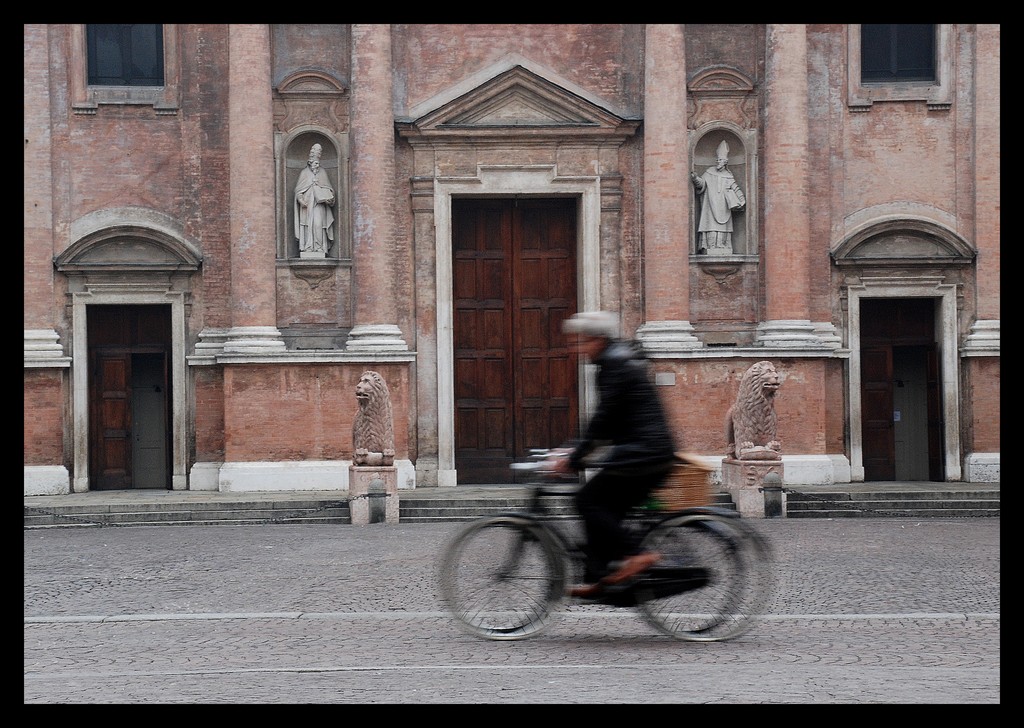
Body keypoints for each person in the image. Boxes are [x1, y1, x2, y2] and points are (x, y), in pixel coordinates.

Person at [554, 311, 678, 599]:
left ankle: (637, 555)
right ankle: (602, 575)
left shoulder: (615, 364)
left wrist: (574, 458)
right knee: (601, 510)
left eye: (581, 341)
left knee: (586, 500)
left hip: (643, 455)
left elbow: (603, 419)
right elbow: (607, 420)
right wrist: (577, 452)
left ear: (597, 339)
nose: (577, 348)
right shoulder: (613, 360)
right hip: (645, 452)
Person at [690, 139, 746, 254]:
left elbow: (736, 188)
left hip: (723, 206)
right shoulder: (709, 172)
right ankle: (710, 246)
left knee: (724, 228)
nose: (718, 162)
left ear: (725, 162)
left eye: (720, 160)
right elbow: (702, 183)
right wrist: (696, 178)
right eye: (718, 160)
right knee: (710, 225)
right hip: (710, 205)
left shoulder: (728, 176)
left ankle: (722, 246)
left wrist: (742, 200)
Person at [294, 143, 336, 255]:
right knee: (307, 225)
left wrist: (328, 198)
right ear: (310, 163)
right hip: (307, 205)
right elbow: (298, 190)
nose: (316, 165)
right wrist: (301, 200)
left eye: (318, 163)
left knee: (318, 224)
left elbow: (329, 189)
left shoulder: (322, 173)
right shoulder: (304, 173)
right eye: (314, 163)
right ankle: (308, 247)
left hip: (319, 205)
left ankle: (319, 247)